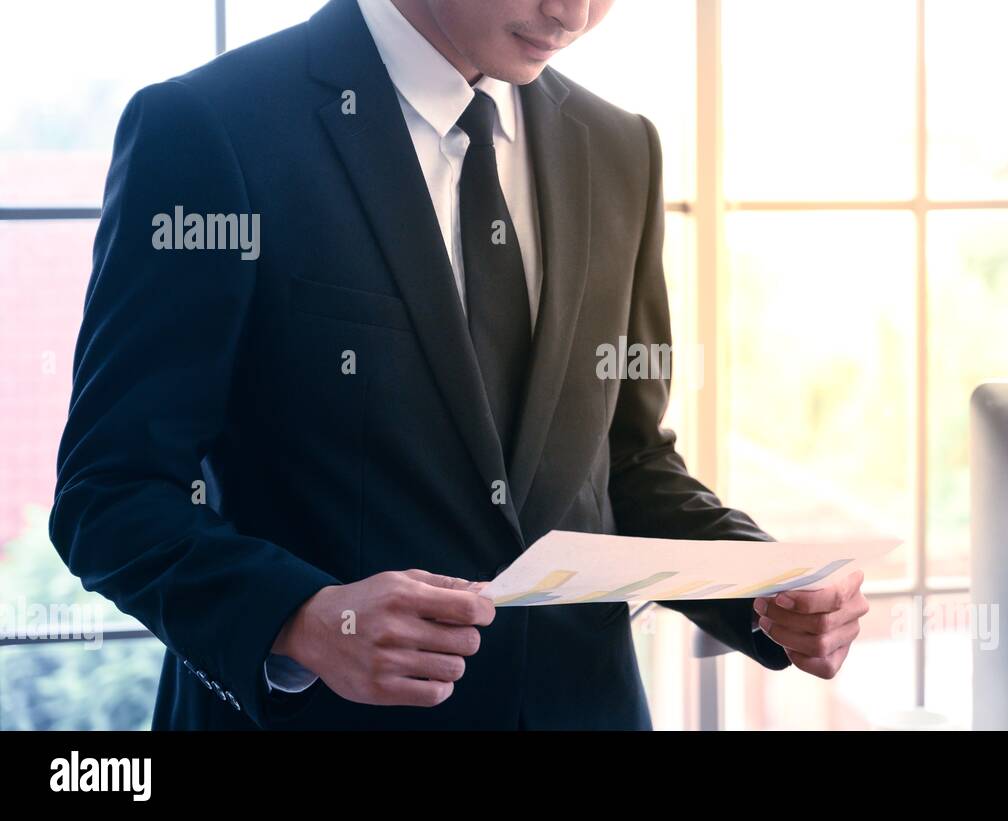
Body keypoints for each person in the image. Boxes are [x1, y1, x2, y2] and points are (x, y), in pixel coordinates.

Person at [50, 0, 870, 730]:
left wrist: (766, 590)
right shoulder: (208, 128)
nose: (574, 14)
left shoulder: (622, 148)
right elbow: (110, 493)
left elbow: (625, 464)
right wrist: (303, 617)